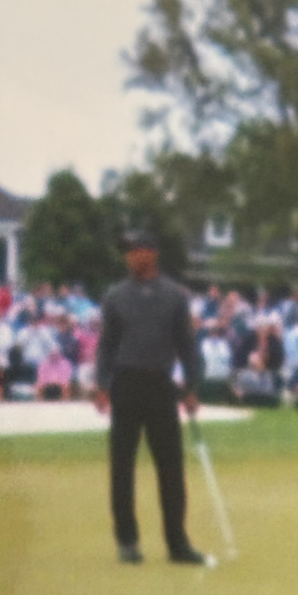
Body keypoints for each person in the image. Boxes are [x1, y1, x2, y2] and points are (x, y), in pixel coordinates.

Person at [95, 231, 207, 566]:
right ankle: (127, 540)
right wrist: (102, 384)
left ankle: (177, 542)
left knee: (171, 468)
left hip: (161, 384)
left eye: (136, 250)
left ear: (152, 253)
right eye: (128, 251)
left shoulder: (174, 295)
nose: (130, 256)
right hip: (126, 383)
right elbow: (106, 345)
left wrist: (191, 386)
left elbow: (187, 345)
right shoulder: (115, 295)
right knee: (122, 466)